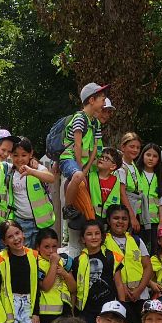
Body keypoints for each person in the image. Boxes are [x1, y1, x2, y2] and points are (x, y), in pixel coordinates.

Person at [66, 219, 126, 323]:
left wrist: (122, 306)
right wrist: (72, 312)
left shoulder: (111, 257)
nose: (94, 237)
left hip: (108, 311)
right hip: (86, 312)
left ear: (102, 236)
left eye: (97, 233)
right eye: (89, 234)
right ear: (82, 239)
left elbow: (119, 284)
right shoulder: (78, 261)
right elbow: (75, 290)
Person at [58, 82, 108, 222]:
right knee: (78, 176)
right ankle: (67, 208)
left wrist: (85, 171)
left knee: (80, 179)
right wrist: (79, 169)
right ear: (92, 100)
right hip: (69, 159)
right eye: (102, 99)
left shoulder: (96, 122)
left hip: (82, 167)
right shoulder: (79, 118)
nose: (104, 103)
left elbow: (95, 148)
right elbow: (77, 144)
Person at [0, 221, 41, 323]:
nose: (16, 238)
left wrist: (36, 312)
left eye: (17, 233)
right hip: (10, 306)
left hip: (28, 304)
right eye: (10, 237)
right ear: (4, 241)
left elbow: (36, 286)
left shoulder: (33, 255)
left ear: (23, 233)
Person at [104, 203, 152, 323]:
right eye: (116, 218)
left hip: (141, 296)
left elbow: (148, 267)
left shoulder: (137, 240)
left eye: (124, 218)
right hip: (117, 297)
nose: (120, 221)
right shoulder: (103, 242)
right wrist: (123, 290)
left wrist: (138, 290)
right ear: (108, 220)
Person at [8, 137, 56, 249]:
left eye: (24, 155)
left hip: (43, 222)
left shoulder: (37, 168)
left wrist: (32, 172)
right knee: (25, 253)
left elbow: (51, 178)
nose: (20, 159)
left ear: (31, 154)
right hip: (21, 222)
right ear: (10, 155)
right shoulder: (9, 172)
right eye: (15, 155)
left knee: (44, 253)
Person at [36, 227, 74, 323]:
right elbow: (46, 287)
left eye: (54, 246)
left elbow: (73, 288)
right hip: (47, 313)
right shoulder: (36, 263)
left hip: (65, 310)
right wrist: (53, 264)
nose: (51, 251)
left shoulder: (64, 260)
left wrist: (65, 274)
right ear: (38, 247)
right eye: (46, 247)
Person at [137, 142, 162, 251]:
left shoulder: (159, 177)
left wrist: (161, 222)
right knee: (138, 250)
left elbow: (161, 201)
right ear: (142, 155)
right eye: (148, 155)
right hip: (139, 220)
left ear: (158, 159)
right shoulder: (137, 173)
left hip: (154, 222)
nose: (151, 158)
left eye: (155, 156)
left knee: (153, 250)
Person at [88, 148, 126, 220]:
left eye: (107, 158)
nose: (102, 159)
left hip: (107, 219)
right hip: (90, 217)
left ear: (113, 166)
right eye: (102, 156)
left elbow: (115, 201)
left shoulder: (115, 181)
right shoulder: (90, 176)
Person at [118, 132, 144, 234]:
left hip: (136, 209)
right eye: (132, 146)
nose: (135, 150)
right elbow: (122, 193)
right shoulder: (121, 166)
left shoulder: (133, 164)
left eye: (138, 147)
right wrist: (132, 217)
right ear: (123, 147)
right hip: (126, 212)